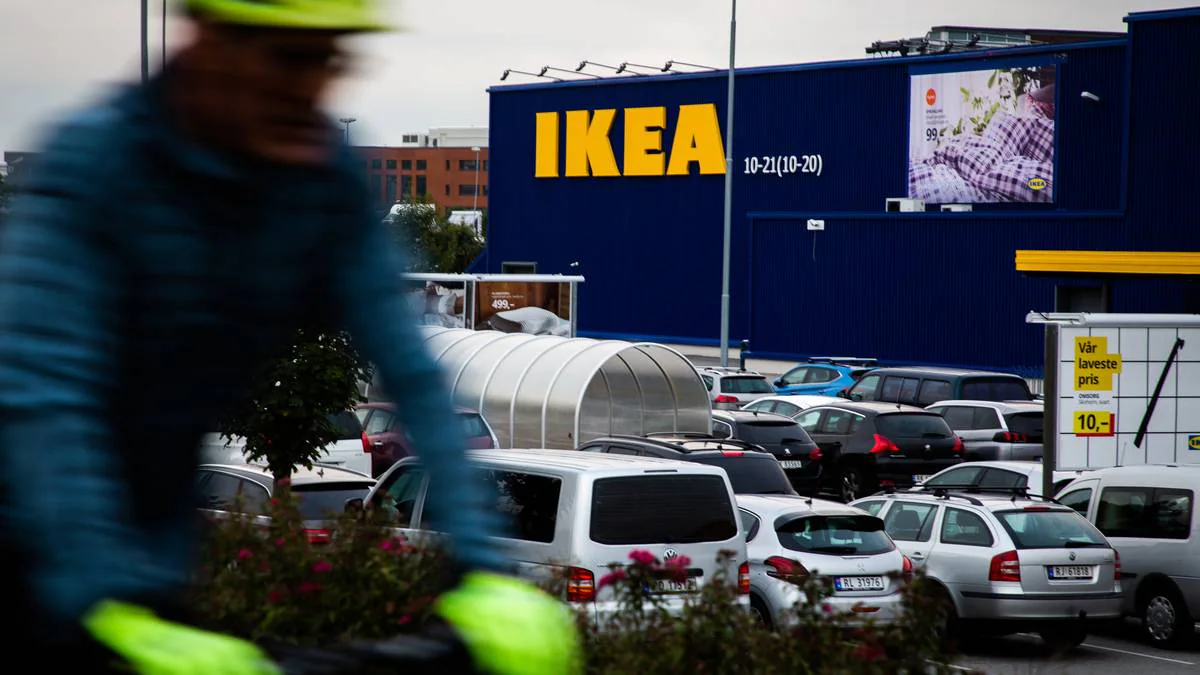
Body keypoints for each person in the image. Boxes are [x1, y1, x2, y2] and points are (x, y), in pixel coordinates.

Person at [0, 1, 579, 673]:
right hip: (38, 541)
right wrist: (102, 593)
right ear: (207, 40)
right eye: (288, 56)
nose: (310, 86)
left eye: (328, 57)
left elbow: (411, 366)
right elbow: (44, 392)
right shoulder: (97, 165)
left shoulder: (317, 176)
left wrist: (483, 568)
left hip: (152, 562)